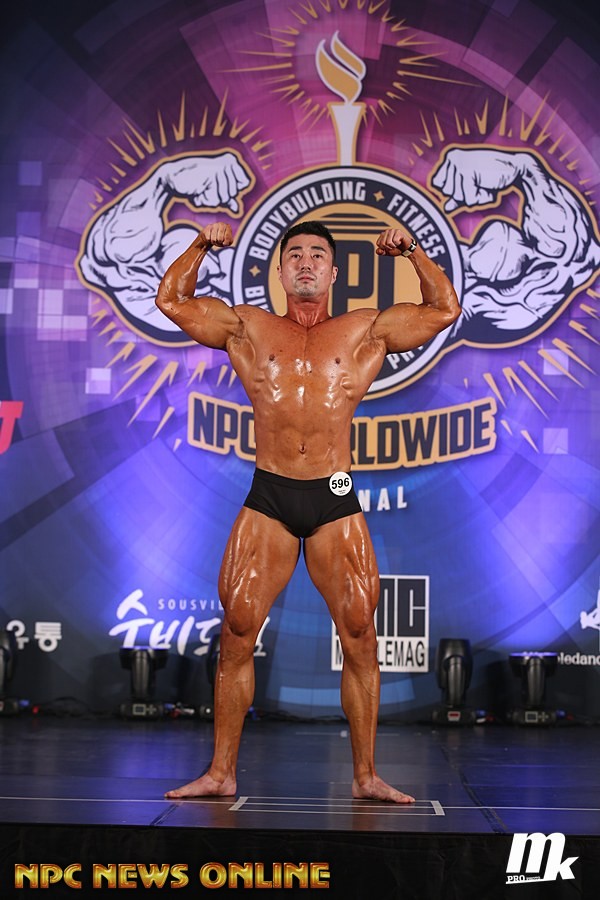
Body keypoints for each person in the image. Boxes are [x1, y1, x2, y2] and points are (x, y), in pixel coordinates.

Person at [155, 220, 461, 803]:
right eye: (294, 253)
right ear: (279, 270)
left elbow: (444, 309)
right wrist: (200, 245)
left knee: (360, 633)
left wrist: (413, 252)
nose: (305, 262)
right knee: (237, 629)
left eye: (317, 254)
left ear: (333, 272)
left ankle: (366, 776)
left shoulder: (364, 329)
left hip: (333, 491)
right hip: (270, 491)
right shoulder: (247, 326)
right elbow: (172, 300)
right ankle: (220, 773)